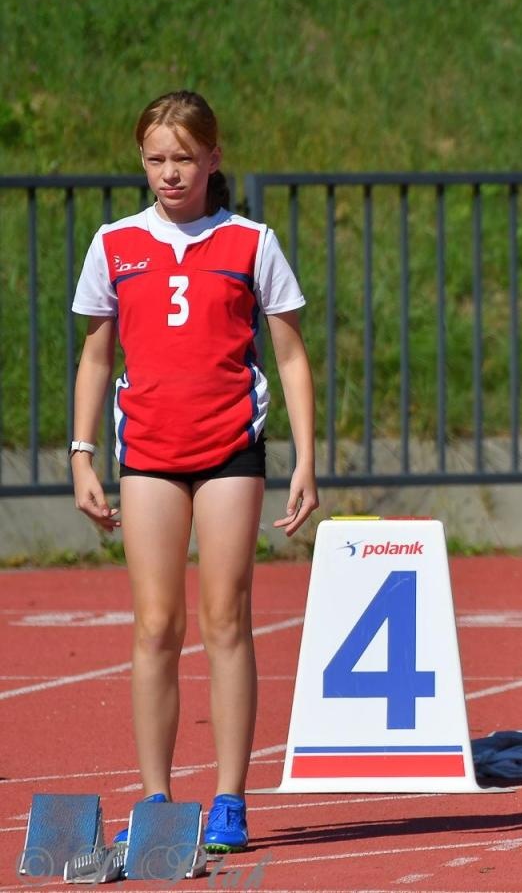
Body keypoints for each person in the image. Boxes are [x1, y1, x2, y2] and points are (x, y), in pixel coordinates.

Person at [70, 91, 319, 853]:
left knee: (224, 619)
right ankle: (156, 799)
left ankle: (231, 797)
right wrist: (82, 453)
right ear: (141, 159)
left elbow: (290, 355)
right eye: (155, 159)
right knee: (154, 626)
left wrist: (307, 458)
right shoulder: (116, 244)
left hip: (229, 454)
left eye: (184, 158)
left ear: (213, 157)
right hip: (145, 455)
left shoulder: (251, 241)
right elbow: (95, 354)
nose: (170, 174)